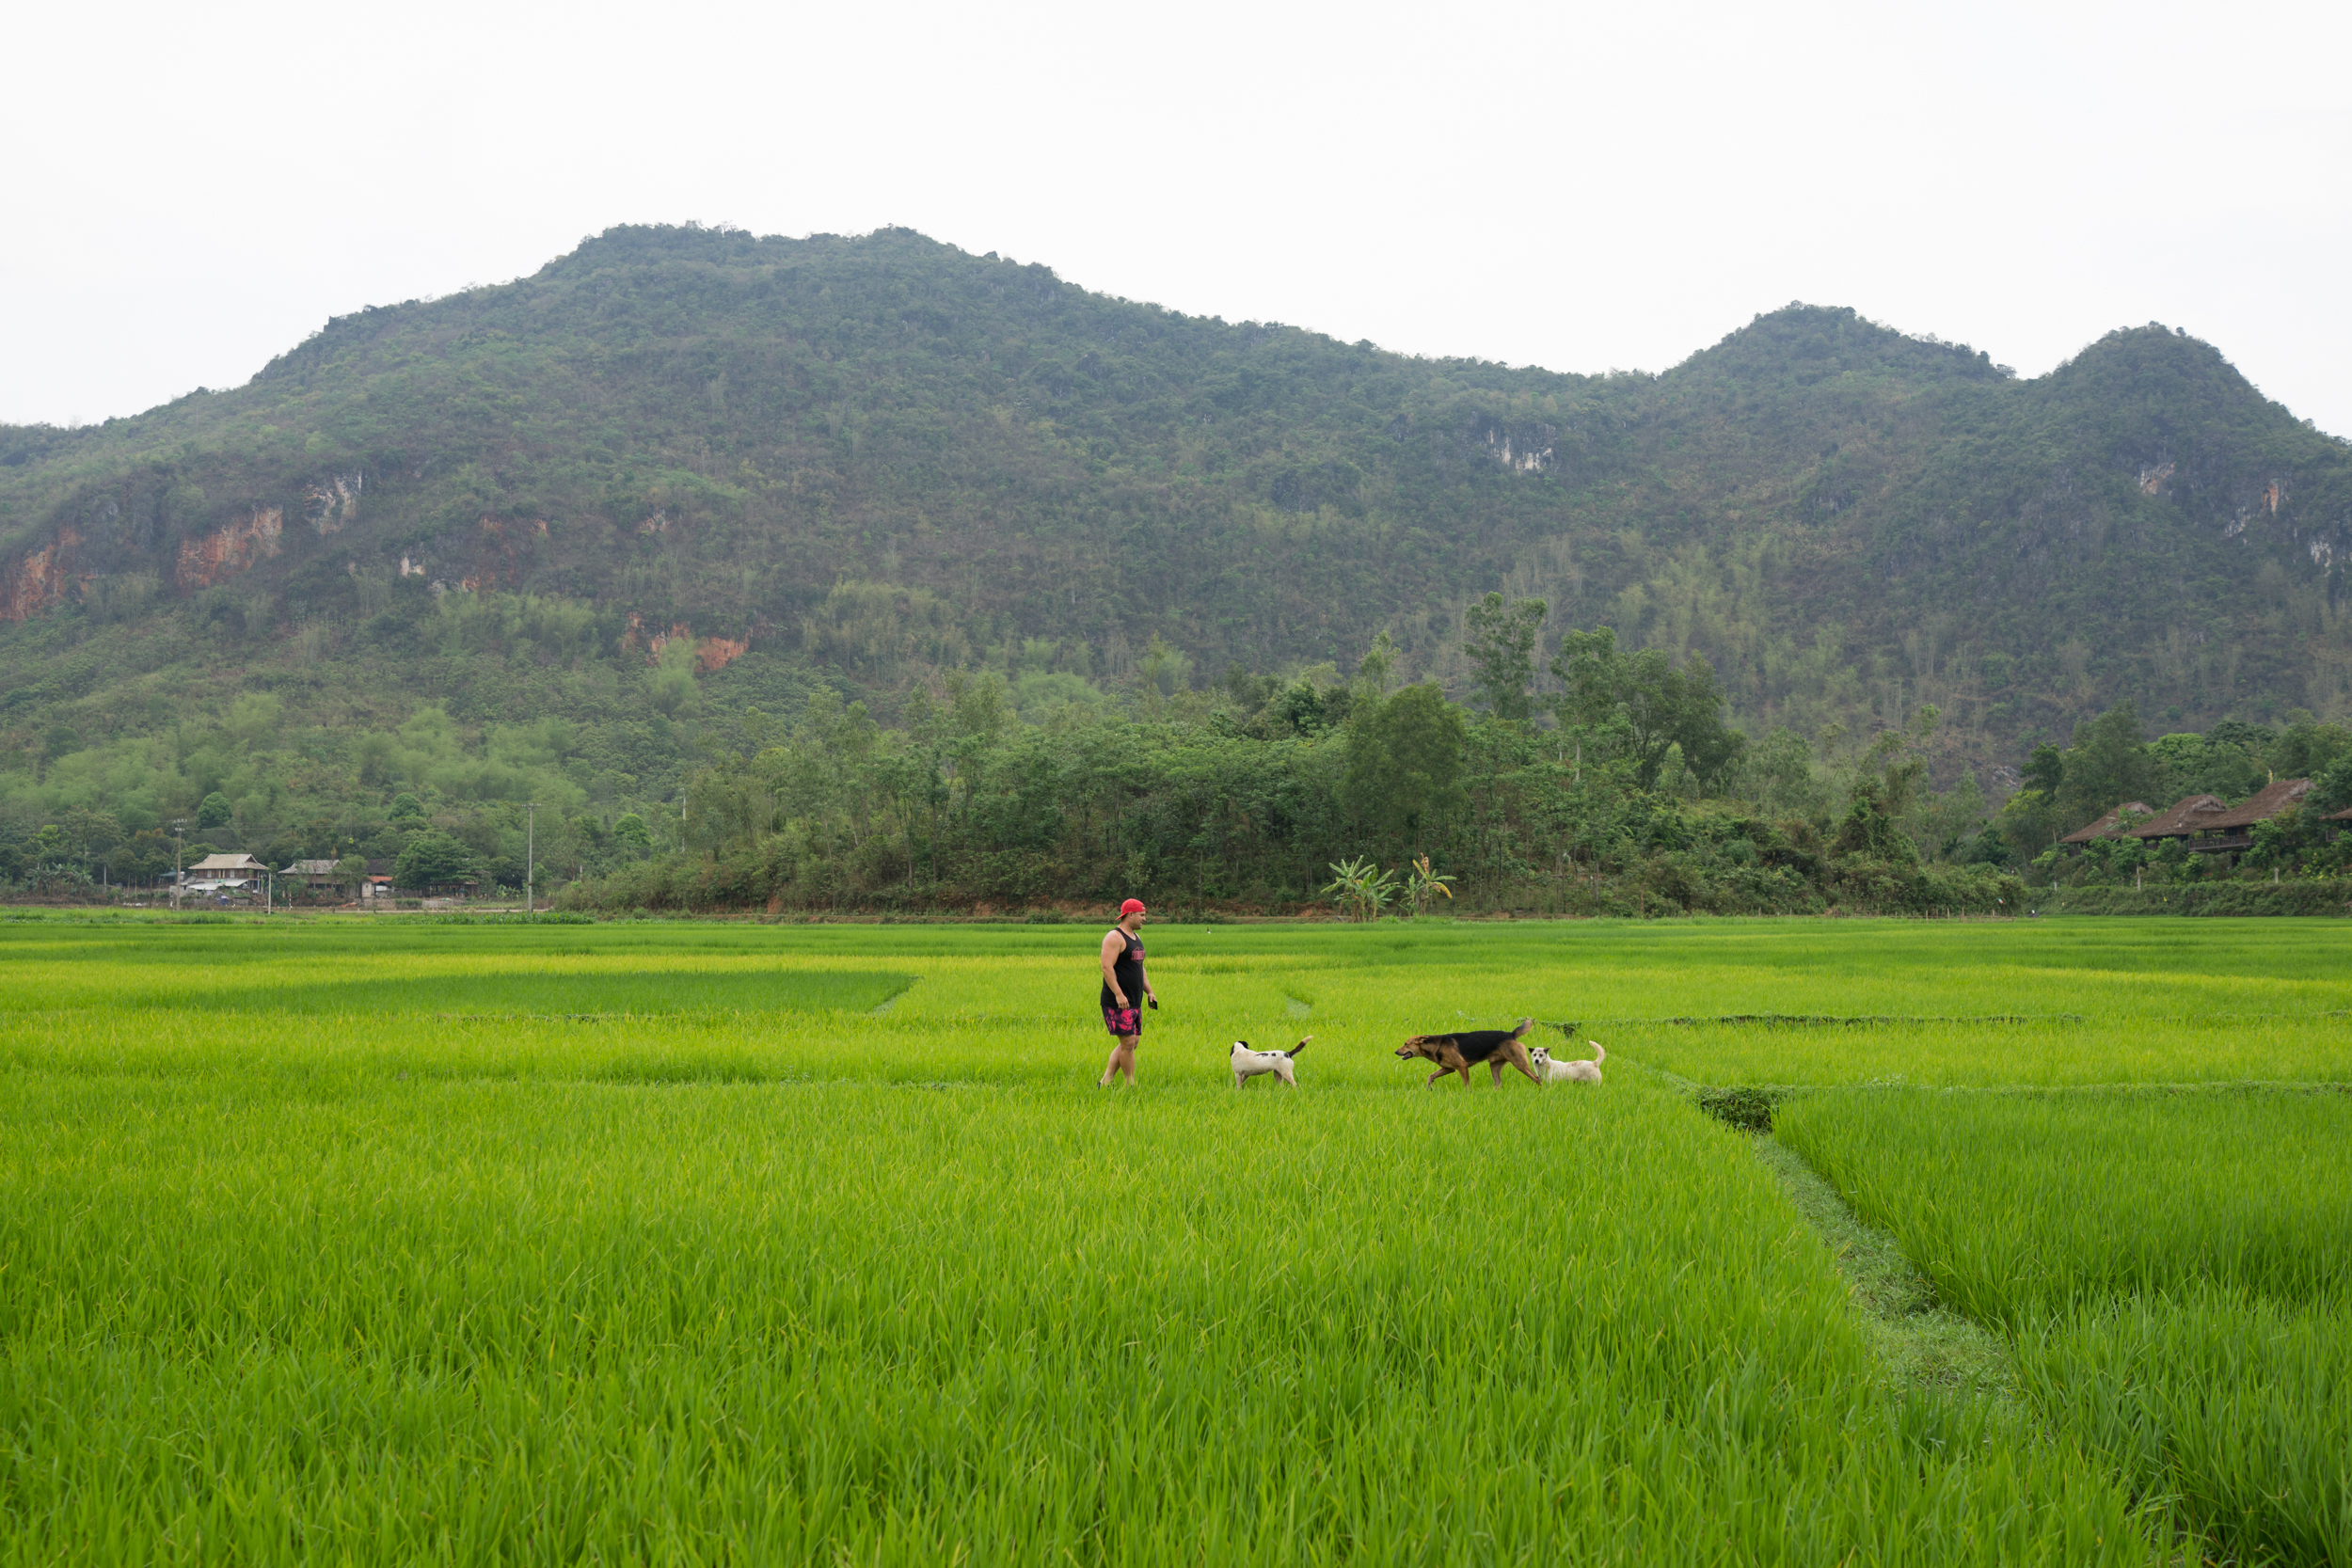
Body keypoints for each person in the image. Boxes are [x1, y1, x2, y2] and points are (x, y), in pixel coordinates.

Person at [1096, 897, 1155, 1085]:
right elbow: (1106, 967)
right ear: (1130, 915)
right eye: (1142, 915)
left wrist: (1149, 991)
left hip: (1134, 999)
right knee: (1128, 1043)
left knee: (1132, 1042)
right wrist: (1118, 994)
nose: (1144, 919)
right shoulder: (1115, 937)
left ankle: (1105, 1082)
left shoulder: (1135, 938)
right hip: (1118, 1001)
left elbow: (1140, 968)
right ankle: (1130, 1084)